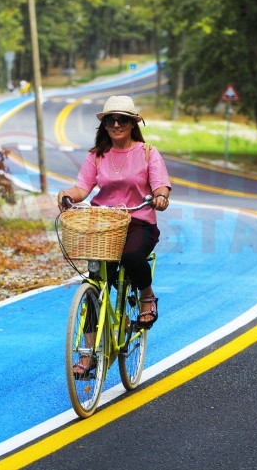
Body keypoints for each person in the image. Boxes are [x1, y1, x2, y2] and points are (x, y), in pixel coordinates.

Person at [58, 95, 171, 376]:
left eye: (122, 119)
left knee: (132, 255)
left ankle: (147, 296)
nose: (116, 124)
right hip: (104, 226)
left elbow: (162, 186)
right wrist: (67, 195)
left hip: (139, 222)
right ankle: (87, 355)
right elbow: (82, 189)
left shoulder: (147, 152)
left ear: (133, 123)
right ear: (105, 125)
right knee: (95, 285)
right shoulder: (97, 155)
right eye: (111, 119)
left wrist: (159, 197)